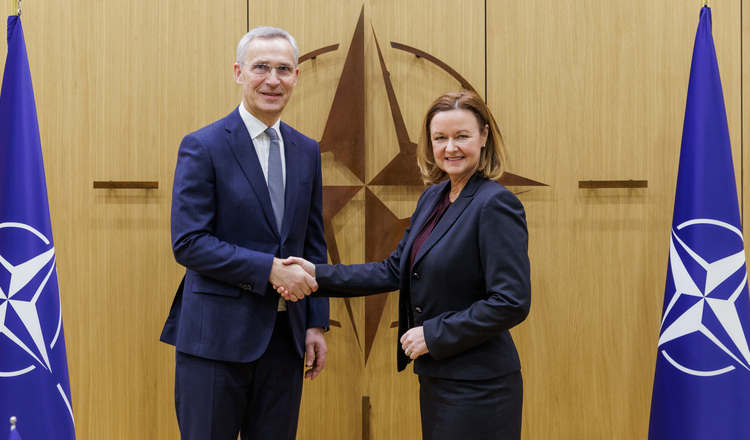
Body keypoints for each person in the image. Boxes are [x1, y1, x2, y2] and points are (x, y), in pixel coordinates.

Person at [279, 90, 530, 439]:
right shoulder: (435, 197)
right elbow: (394, 270)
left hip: (480, 385)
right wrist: (314, 274)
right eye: (440, 138)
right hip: (439, 377)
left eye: (462, 136)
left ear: (484, 136)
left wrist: (433, 334)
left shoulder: (495, 204)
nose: (450, 148)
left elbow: (511, 302)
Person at [160, 26, 329, 440]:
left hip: (284, 341)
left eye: (284, 69)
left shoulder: (306, 150)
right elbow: (189, 242)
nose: (273, 79)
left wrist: (316, 323)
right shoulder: (203, 145)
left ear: (295, 77)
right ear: (238, 72)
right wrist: (270, 269)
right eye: (261, 68)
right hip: (214, 341)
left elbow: (313, 243)